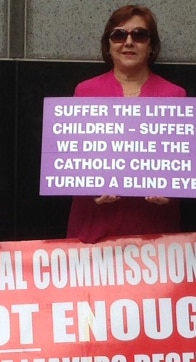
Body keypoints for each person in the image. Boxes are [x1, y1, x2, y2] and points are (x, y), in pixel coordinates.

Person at [66, 5, 187, 243]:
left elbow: (184, 166)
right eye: (119, 35)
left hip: (153, 232)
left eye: (139, 35)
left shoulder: (175, 96)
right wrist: (90, 189)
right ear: (108, 45)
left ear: (151, 47)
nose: (128, 42)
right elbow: (69, 163)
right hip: (95, 226)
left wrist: (173, 192)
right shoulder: (85, 92)